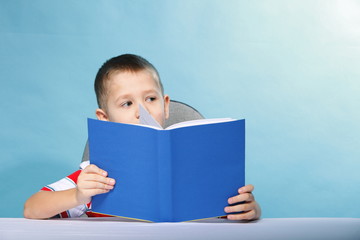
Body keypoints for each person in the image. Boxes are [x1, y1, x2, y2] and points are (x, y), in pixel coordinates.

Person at [24, 54, 261, 220]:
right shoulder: (96, 174)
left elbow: (230, 213)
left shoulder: (198, 169)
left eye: (150, 99)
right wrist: (78, 195)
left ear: (166, 105)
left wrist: (249, 209)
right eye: (126, 103)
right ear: (104, 118)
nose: (142, 112)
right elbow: (32, 208)